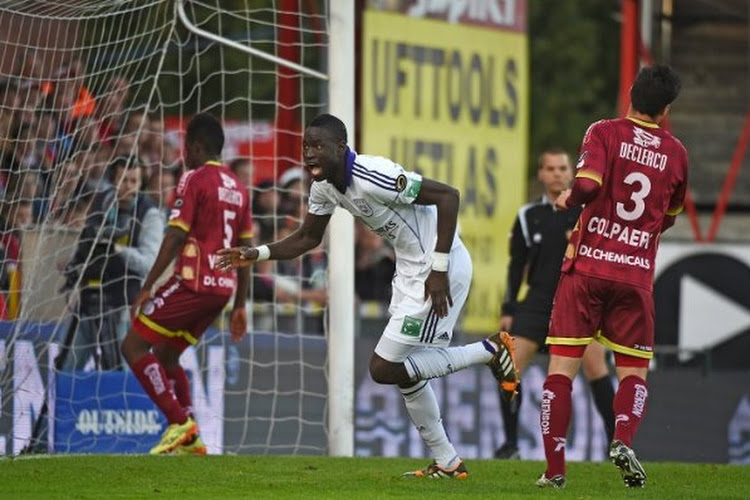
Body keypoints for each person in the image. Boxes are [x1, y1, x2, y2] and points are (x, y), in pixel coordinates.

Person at [217, 113, 519, 478]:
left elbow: (448, 197)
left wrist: (439, 268)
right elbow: (307, 238)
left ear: (340, 148)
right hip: (409, 272)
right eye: (305, 147)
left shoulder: (375, 175)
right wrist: (257, 253)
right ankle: (448, 462)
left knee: (383, 367)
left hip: (439, 267)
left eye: (317, 146)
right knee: (405, 372)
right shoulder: (325, 186)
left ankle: (489, 351)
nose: (309, 154)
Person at [536, 64, 687, 489]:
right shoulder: (676, 153)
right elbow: (667, 217)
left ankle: (555, 470)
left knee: (561, 371)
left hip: (587, 268)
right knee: (634, 371)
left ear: (630, 95)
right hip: (635, 274)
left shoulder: (603, 131)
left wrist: (570, 199)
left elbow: (587, 183)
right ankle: (622, 439)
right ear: (665, 109)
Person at [120, 113, 252, 455]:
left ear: (194, 147)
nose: (182, 155)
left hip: (193, 283)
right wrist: (240, 305)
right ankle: (189, 436)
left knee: (133, 345)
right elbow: (246, 252)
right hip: (222, 290)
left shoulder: (194, 178)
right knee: (167, 354)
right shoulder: (239, 188)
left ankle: (180, 424)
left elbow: (176, 234)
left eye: (184, 147)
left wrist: (149, 285)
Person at [494, 148, 615, 459]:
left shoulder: (587, 211)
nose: (557, 173)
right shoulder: (527, 215)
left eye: (563, 168)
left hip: (578, 302)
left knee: (597, 371)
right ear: (541, 174)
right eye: (550, 168)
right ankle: (510, 445)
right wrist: (508, 309)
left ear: (572, 172)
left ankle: (617, 444)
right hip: (536, 302)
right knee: (509, 371)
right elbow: (515, 265)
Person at [61, 156, 163, 370]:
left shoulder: (149, 214)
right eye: (123, 180)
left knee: (121, 371)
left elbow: (148, 263)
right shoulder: (101, 204)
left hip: (124, 305)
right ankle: (60, 401)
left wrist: (117, 250)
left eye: (134, 181)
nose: (129, 187)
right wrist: (72, 263)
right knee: (66, 367)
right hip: (89, 301)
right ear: (113, 181)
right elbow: (86, 242)